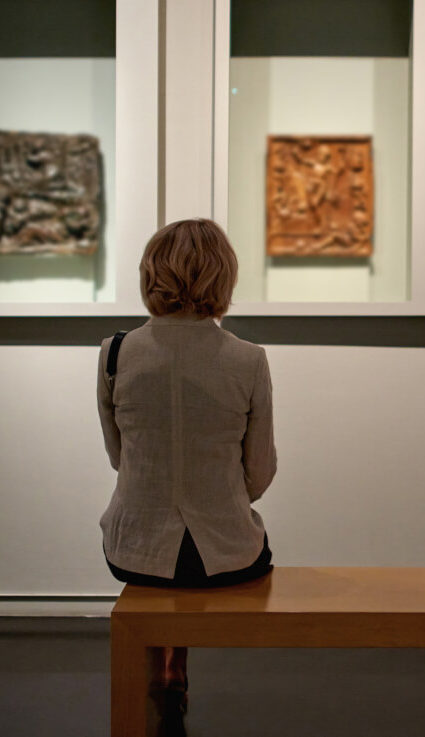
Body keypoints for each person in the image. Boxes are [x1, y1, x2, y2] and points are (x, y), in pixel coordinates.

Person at [97, 218, 278, 720]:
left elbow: (120, 458)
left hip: (133, 549)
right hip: (225, 555)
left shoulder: (115, 353)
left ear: (150, 273)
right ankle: (174, 661)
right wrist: (217, 495)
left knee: (162, 566)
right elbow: (259, 473)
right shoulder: (249, 359)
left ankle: (167, 661)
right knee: (194, 558)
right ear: (224, 278)